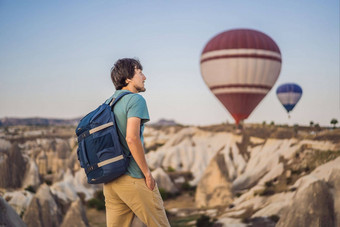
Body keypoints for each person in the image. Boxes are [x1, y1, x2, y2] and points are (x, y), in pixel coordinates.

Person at [103, 58, 170, 227]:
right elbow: (131, 138)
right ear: (128, 79)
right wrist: (147, 173)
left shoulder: (108, 104)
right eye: (140, 73)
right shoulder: (135, 100)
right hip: (133, 177)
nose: (145, 77)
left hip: (111, 181)